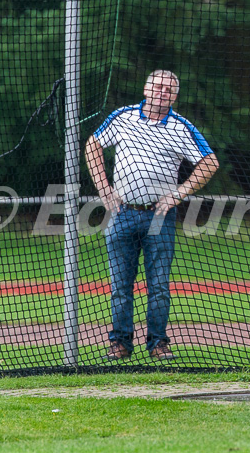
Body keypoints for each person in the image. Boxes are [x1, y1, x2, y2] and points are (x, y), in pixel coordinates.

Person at [85, 69, 219, 361]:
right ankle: (119, 343)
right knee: (120, 286)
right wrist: (104, 189)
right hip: (121, 213)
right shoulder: (123, 117)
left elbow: (210, 163)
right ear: (146, 89)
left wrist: (178, 194)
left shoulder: (181, 127)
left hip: (158, 215)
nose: (162, 92)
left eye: (169, 89)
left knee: (158, 286)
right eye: (157, 86)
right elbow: (92, 145)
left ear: (175, 96)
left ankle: (158, 343)